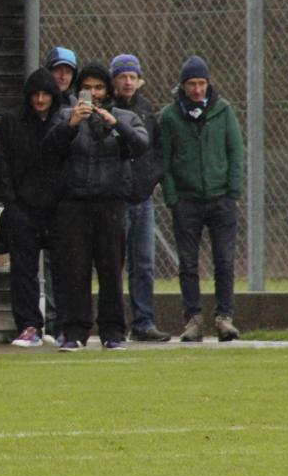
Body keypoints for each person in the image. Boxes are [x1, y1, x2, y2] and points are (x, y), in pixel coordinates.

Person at [43, 62, 149, 352]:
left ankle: (113, 331)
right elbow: (50, 149)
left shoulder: (124, 117)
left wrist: (114, 123)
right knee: (74, 271)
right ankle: (74, 331)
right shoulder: (64, 116)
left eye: (98, 88)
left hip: (110, 203)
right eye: (87, 88)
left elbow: (140, 145)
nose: (93, 93)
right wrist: (72, 124)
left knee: (111, 269)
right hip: (73, 204)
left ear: (108, 90)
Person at [158, 55, 244, 342]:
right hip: (186, 200)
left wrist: (233, 192)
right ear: (183, 86)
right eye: (192, 84)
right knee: (188, 263)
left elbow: (235, 152)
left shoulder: (223, 111)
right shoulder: (169, 117)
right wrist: (172, 196)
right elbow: (165, 161)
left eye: (201, 83)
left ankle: (224, 318)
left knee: (224, 260)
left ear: (208, 84)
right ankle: (193, 320)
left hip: (221, 199)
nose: (197, 90)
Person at [0, 67, 61, 348]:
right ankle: (28, 325)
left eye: (46, 94)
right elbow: (3, 163)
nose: (40, 99)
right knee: (23, 270)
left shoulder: (62, 121)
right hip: (22, 206)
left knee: (63, 267)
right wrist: (11, 202)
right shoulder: (12, 122)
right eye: (35, 94)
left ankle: (62, 327)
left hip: (57, 206)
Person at [110, 54, 172, 342]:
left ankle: (144, 322)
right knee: (114, 263)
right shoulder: (106, 111)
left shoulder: (147, 111)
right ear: (114, 80)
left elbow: (157, 151)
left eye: (132, 76)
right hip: (117, 199)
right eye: (122, 76)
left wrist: (153, 178)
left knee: (144, 264)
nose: (127, 81)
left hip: (143, 198)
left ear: (139, 80)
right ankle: (114, 323)